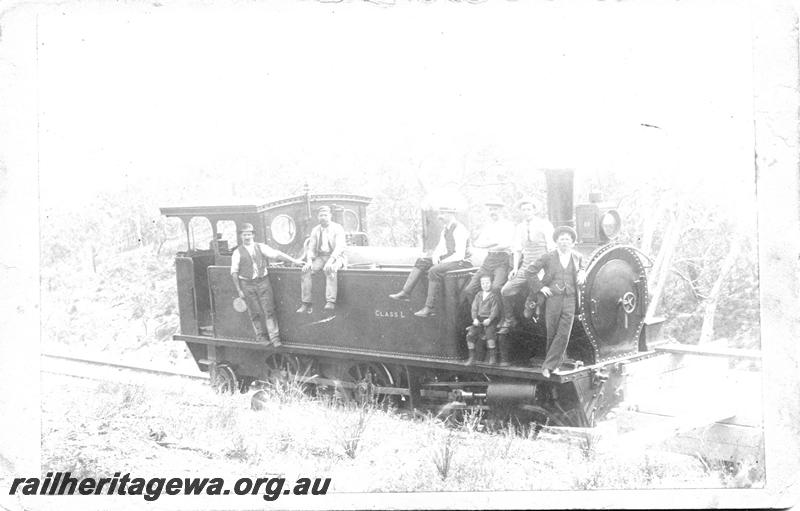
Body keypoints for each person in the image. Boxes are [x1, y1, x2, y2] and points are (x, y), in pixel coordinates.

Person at [388, 206, 471, 317]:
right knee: (422, 261)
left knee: (434, 271)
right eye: (440, 213)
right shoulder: (445, 229)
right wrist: (435, 257)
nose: (440, 216)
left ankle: (430, 307)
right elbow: (440, 247)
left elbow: (460, 255)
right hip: (451, 259)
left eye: (443, 213)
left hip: (462, 262)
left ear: (451, 214)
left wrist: (442, 262)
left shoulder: (459, 229)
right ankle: (406, 292)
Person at [526, 226, 586, 377]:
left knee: (564, 333)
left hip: (570, 298)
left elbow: (582, 268)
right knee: (552, 331)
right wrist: (540, 287)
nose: (564, 242)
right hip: (553, 298)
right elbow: (530, 271)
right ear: (556, 242)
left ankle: (548, 366)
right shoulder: (549, 256)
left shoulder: (577, 256)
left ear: (572, 242)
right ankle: (555, 365)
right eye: (561, 239)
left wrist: (582, 272)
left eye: (567, 239)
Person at [231, 223, 304, 346]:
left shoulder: (260, 247)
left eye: (249, 234)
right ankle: (261, 337)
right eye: (244, 235)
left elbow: (277, 254)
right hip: (247, 284)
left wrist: (294, 261)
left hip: (263, 282)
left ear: (253, 235)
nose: (247, 237)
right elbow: (234, 272)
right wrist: (239, 290)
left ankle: (274, 338)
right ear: (241, 237)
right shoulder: (237, 252)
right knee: (254, 312)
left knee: (269, 310)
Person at [498, 198, 555, 330]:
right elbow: (517, 249)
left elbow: (551, 248)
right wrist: (516, 268)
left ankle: (531, 306)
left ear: (534, 210)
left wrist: (548, 267)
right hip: (526, 265)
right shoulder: (520, 227)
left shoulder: (544, 224)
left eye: (529, 209)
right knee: (505, 290)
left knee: (539, 286)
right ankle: (509, 318)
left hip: (541, 265)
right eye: (524, 210)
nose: (526, 212)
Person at [459, 199, 515, 304]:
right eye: (490, 210)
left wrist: (489, 243)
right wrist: (495, 243)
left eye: (495, 209)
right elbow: (478, 243)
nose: (492, 212)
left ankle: (504, 316)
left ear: (502, 211)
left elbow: (505, 244)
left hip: (502, 260)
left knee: (496, 287)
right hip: (489, 260)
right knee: (469, 289)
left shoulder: (508, 225)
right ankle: (481, 313)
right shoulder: (488, 226)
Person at [297, 206, 347, 313]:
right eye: (321, 215)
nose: (323, 217)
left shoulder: (338, 228)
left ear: (330, 216)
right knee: (306, 271)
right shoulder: (315, 230)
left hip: (336, 257)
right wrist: (309, 261)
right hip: (321, 257)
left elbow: (339, 248)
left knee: (330, 269)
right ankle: (306, 302)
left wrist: (330, 261)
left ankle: (330, 301)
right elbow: (311, 247)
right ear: (318, 217)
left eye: (325, 215)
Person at [464, 275, 501, 365]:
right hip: (479, 319)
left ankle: (492, 357)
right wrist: (475, 319)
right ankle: (472, 357)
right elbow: (474, 308)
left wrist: (490, 319)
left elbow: (495, 310)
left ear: (491, 283)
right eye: (483, 283)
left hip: (490, 320)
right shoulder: (478, 295)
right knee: (470, 335)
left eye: (487, 283)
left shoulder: (494, 296)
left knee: (490, 335)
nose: (485, 285)